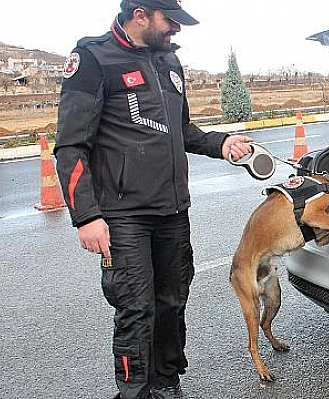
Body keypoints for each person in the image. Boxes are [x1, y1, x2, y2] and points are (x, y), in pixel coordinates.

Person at [53, 1, 253, 398]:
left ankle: (166, 384)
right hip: (124, 216)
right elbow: (71, 147)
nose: (176, 29)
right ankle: (134, 392)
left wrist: (222, 143)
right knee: (136, 309)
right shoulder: (94, 58)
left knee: (172, 302)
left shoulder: (168, 63)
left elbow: (181, 130)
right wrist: (86, 216)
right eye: (170, 20)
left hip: (173, 211)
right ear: (140, 13)